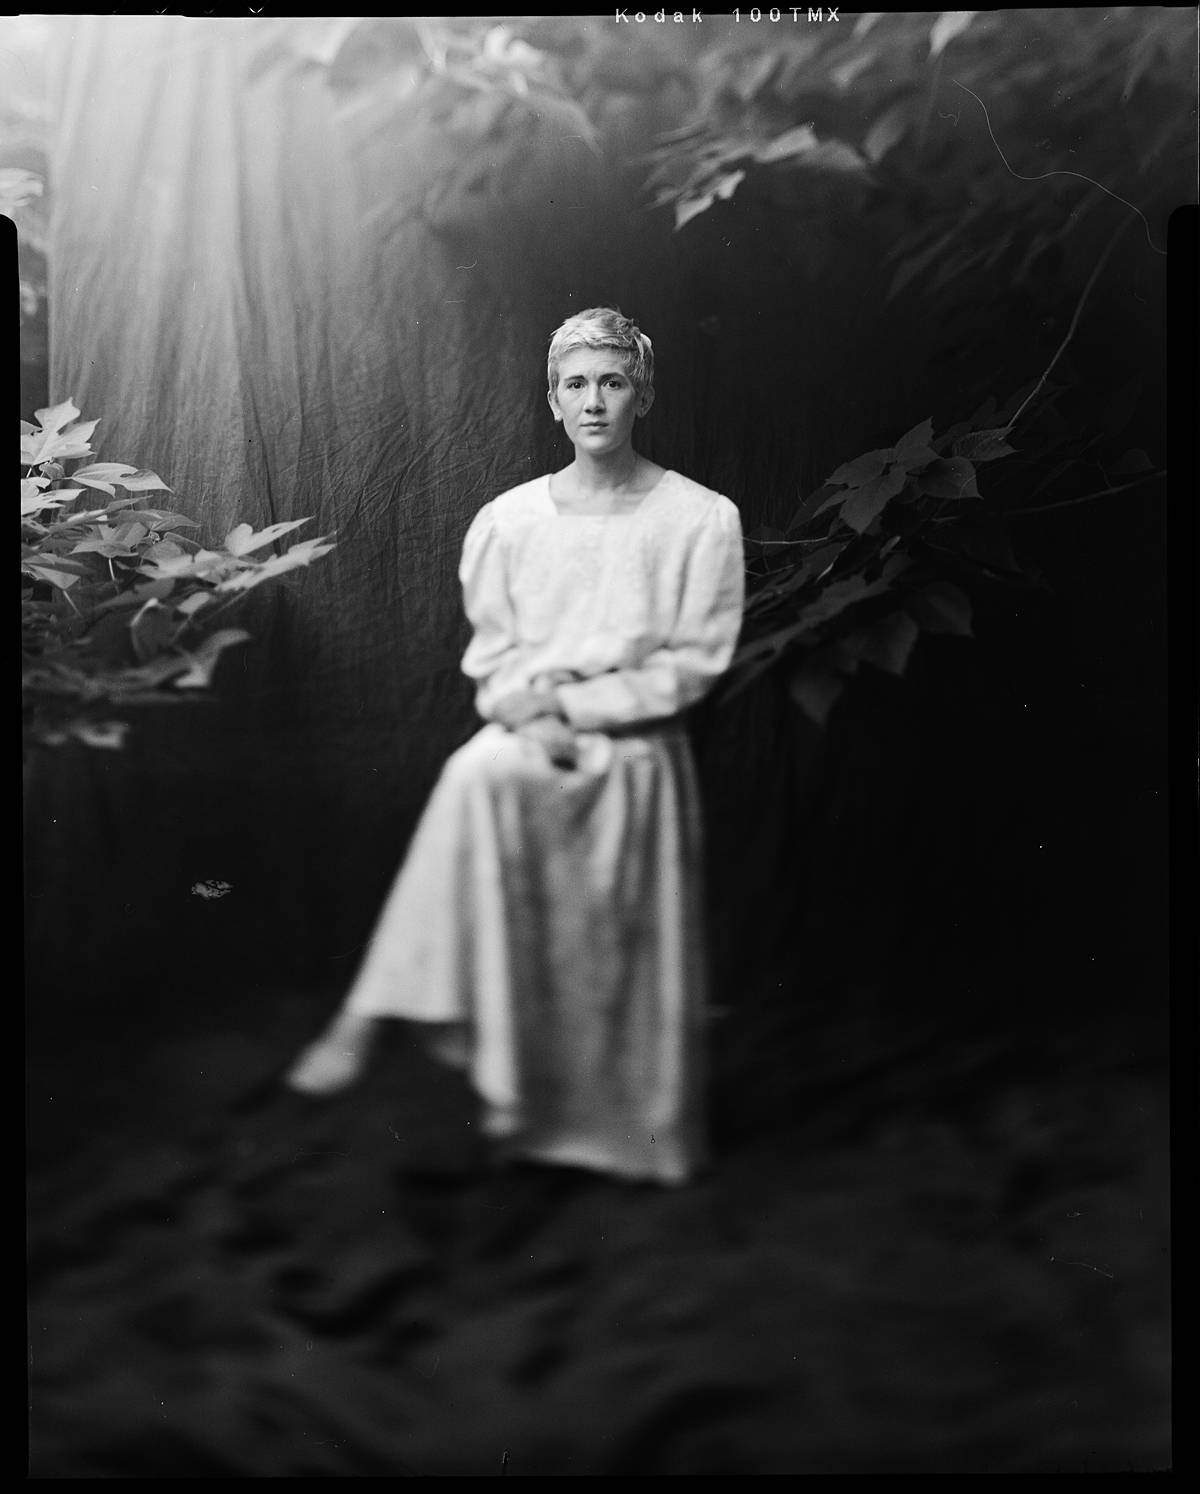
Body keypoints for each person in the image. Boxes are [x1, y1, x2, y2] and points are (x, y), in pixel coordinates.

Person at [286, 307, 745, 1184]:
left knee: (479, 782)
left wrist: (583, 712)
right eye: (577, 385)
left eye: (613, 382)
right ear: (553, 400)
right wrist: (528, 712)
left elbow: (694, 662)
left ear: (641, 393)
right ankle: (502, 1084)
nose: (595, 402)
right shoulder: (507, 522)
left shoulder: (700, 520)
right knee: (482, 769)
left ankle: (392, 1012)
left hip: (633, 751)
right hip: (531, 740)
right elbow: (493, 659)